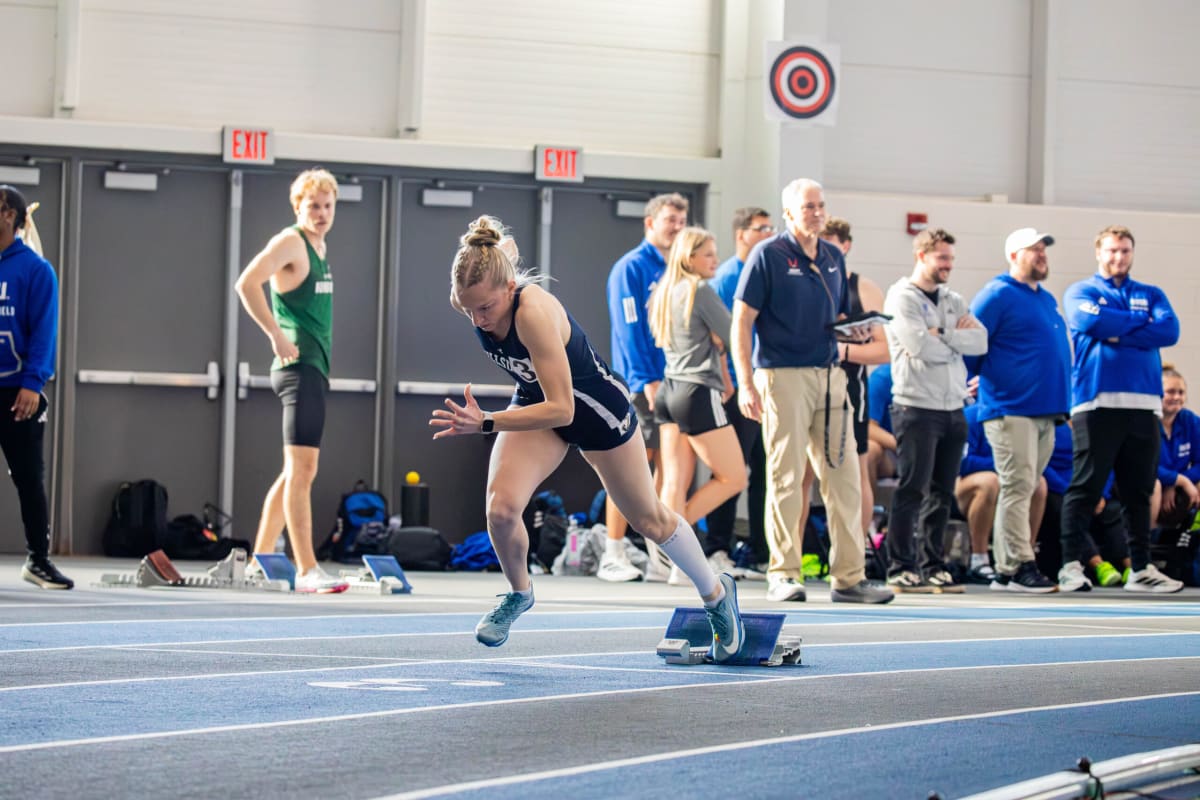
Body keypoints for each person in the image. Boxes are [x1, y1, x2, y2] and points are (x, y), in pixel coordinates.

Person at [431, 216, 745, 659]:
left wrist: (486, 422)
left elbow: (564, 408)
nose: (478, 320)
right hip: (537, 402)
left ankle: (716, 595)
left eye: (485, 308)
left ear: (507, 289)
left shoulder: (533, 313)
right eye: (467, 310)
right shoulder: (481, 286)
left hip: (596, 411)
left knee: (649, 519)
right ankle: (519, 592)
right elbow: (504, 255)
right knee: (501, 511)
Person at [731, 178, 893, 605]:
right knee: (785, 477)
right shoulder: (769, 255)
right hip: (782, 376)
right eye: (808, 207)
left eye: (820, 205)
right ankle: (783, 574)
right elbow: (742, 321)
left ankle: (849, 577)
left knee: (844, 477)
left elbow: (834, 314)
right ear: (788, 213)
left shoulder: (834, 257)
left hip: (830, 375)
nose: (817, 213)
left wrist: (852, 333)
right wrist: (746, 382)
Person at [234, 168, 348, 593]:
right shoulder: (290, 241)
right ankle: (306, 568)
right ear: (297, 207)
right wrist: (275, 334)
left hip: (315, 368)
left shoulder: (319, 246)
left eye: (326, 206)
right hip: (297, 368)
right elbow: (246, 283)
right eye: (312, 206)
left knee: (293, 473)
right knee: (304, 470)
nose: (320, 213)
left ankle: (260, 560)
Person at [1058, 225, 1182, 593]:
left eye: (1125, 251)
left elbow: (1169, 331)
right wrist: (1138, 323)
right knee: (1086, 487)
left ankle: (1141, 569)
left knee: (1139, 491)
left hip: (1144, 406)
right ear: (1099, 252)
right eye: (1112, 251)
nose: (1118, 257)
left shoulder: (1150, 293)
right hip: (1096, 403)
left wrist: (1115, 329)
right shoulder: (1081, 291)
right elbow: (1091, 321)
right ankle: (1070, 567)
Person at [882, 228, 986, 593]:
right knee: (913, 488)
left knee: (943, 491)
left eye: (951, 259)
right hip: (915, 406)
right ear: (921, 256)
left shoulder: (953, 298)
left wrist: (941, 333)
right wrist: (951, 339)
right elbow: (918, 346)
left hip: (953, 408)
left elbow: (981, 340)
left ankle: (933, 565)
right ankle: (901, 566)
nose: (948, 265)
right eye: (942, 258)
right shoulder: (901, 297)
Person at [964, 228, 1068, 592]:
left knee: (1027, 485)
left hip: (1044, 411)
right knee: (1017, 485)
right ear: (1013, 255)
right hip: (1010, 407)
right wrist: (971, 381)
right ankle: (1015, 566)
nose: (1042, 254)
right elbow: (969, 343)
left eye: (1043, 249)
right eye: (1033, 249)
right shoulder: (996, 295)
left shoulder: (1045, 298)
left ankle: (1012, 567)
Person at [648, 227, 748, 583]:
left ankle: (676, 561)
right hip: (698, 391)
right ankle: (679, 544)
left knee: (674, 480)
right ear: (689, 258)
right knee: (734, 476)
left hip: (669, 390)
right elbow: (735, 332)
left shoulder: (665, 291)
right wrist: (721, 345)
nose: (716, 261)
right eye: (708, 254)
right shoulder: (699, 290)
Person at [599, 193, 688, 583]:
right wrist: (644, 380)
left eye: (682, 221)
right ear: (650, 223)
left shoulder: (678, 268)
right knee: (631, 469)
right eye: (670, 220)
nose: (677, 227)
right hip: (641, 383)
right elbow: (630, 327)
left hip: (673, 382)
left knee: (665, 472)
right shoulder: (631, 268)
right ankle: (612, 551)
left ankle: (657, 556)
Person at [0, 186, 71, 589]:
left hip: (16, 393)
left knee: (28, 478)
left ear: (9, 214)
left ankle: (38, 561)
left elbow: (44, 331)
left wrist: (33, 382)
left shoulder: (35, 270)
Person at [706, 207, 775, 576]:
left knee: (766, 471)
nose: (767, 234)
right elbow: (720, 340)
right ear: (741, 234)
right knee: (731, 470)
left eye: (770, 228)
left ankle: (763, 552)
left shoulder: (768, 274)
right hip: (734, 390)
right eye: (760, 228)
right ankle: (718, 546)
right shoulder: (727, 278)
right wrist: (731, 384)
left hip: (768, 387)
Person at [954, 402, 1048, 586]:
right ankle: (978, 560)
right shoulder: (971, 416)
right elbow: (963, 462)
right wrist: (1006, 465)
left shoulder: (1023, 417)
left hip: (1007, 483)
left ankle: (1025, 559)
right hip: (966, 485)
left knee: (1038, 483)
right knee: (990, 481)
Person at [1152, 364, 1200, 529]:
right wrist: (1177, 480)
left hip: (1178, 483)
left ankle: (1192, 542)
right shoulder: (1145, 423)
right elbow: (1143, 466)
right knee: (1154, 486)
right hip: (1150, 484)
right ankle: (1146, 545)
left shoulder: (1190, 421)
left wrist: (1179, 482)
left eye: (1181, 392)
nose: (1177, 397)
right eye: (1170, 392)